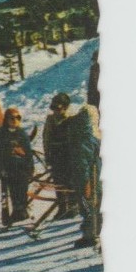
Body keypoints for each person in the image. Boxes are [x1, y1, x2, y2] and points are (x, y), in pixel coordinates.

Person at [67, 104, 102, 249]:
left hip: (88, 179)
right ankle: (94, 233)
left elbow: (83, 163)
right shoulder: (93, 135)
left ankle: (90, 235)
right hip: (94, 177)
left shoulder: (85, 137)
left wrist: (85, 182)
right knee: (94, 205)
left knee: (88, 206)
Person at [0, 108, 35, 224]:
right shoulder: (2, 134)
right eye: (12, 118)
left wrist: (30, 168)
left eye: (18, 118)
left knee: (22, 190)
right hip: (9, 169)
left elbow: (28, 153)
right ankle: (17, 211)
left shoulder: (22, 134)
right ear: (6, 120)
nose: (15, 120)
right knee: (13, 192)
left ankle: (22, 211)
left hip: (21, 168)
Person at [43, 93, 75, 218]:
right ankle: (62, 207)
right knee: (58, 182)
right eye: (53, 108)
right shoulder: (50, 120)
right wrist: (47, 156)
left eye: (58, 108)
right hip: (56, 155)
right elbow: (46, 138)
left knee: (70, 181)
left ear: (65, 107)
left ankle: (73, 206)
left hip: (69, 154)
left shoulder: (71, 119)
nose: (55, 111)